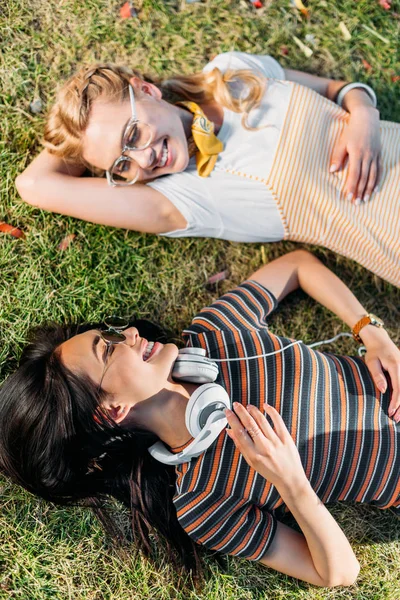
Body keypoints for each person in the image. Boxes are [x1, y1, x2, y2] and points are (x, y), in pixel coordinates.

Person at [1, 249, 399, 587]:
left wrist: (372, 333)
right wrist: (291, 481)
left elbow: (298, 265)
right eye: (108, 349)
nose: (129, 333)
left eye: (112, 331)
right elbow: (338, 572)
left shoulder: (216, 333)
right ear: (110, 412)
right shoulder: (203, 503)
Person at [15, 52, 399, 287]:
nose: (143, 158)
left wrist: (363, 111)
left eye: (133, 133)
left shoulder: (230, 71)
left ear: (147, 90)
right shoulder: (184, 199)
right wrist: (76, 136)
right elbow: (34, 184)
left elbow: (337, 89)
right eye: (122, 163)